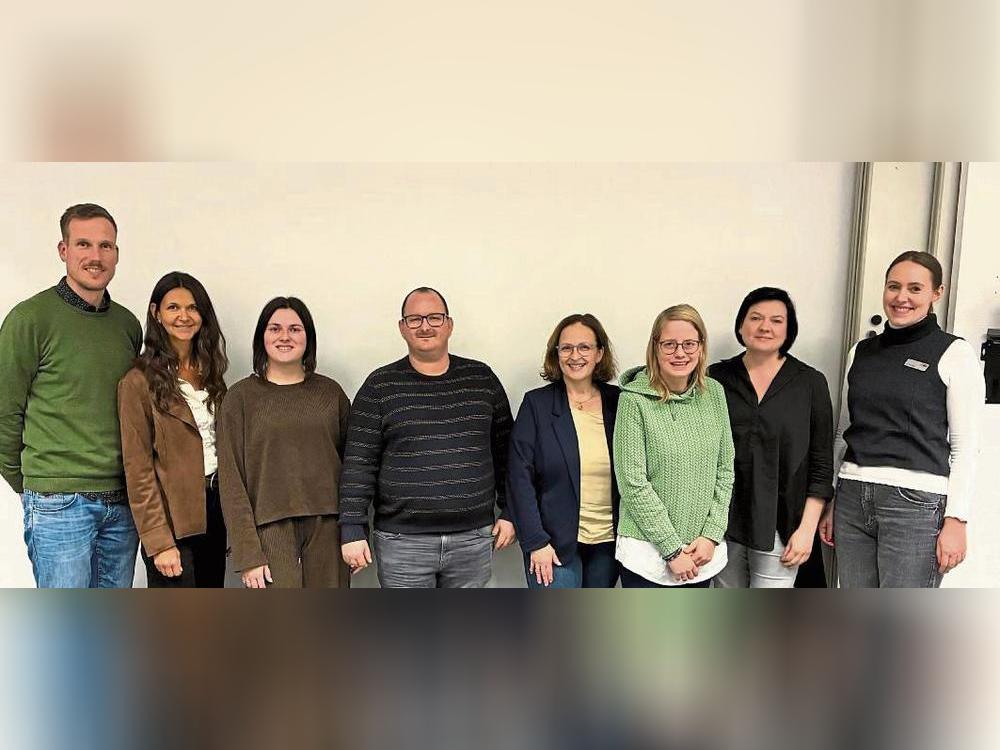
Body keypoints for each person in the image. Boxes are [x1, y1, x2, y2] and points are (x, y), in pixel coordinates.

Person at [819, 251, 984, 587]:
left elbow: (965, 446)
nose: (901, 297)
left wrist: (957, 519)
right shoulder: (860, 352)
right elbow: (844, 432)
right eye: (893, 286)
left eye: (915, 288)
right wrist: (834, 498)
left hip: (915, 504)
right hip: (852, 497)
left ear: (937, 293)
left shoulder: (954, 353)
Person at [0, 203, 142, 588]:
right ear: (63, 250)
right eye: (83, 244)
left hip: (122, 503)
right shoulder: (30, 319)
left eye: (105, 246)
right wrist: (33, 483)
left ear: (116, 254)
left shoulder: (127, 325)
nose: (95, 256)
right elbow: (4, 412)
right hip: (59, 503)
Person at [339, 286, 515, 588]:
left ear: (449, 324)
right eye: (415, 319)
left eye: (434, 317)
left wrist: (511, 511)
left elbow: (507, 454)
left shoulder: (481, 379)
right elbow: (358, 463)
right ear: (402, 327)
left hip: (472, 539)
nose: (425, 326)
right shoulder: (379, 386)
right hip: (402, 542)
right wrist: (352, 528)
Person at [217, 297, 352, 588]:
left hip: (329, 528)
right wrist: (246, 552)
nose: (285, 336)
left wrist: (354, 531)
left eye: (295, 329)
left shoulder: (331, 394)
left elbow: (354, 468)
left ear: (308, 337)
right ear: (262, 337)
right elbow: (231, 480)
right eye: (275, 328)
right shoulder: (240, 398)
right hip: (268, 529)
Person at [709, 287, 834, 588]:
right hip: (722, 522)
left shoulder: (810, 383)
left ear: (789, 330)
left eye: (777, 320)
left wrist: (807, 529)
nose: (765, 327)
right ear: (741, 325)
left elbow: (821, 464)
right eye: (756, 318)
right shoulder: (716, 378)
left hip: (783, 525)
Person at [118, 272, 229, 587]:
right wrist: (159, 541)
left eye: (192, 308)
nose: (184, 316)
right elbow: (137, 469)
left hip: (215, 512)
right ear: (156, 313)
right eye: (173, 307)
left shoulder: (211, 372)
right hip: (172, 520)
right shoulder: (137, 382)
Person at [613, 304, 734, 588]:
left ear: (701, 347)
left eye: (689, 344)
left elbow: (725, 469)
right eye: (669, 344)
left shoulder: (714, 393)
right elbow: (632, 483)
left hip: (701, 552)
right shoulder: (633, 400)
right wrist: (672, 550)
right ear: (655, 347)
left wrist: (711, 534)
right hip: (648, 555)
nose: (680, 353)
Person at [508, 313, 621, 588]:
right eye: (566, 348)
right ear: (556, 354)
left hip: (609, 543)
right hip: (552, 544)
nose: (575, 355)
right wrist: (536, 541)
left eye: (584, 347)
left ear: (599, 353)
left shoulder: (620, 402)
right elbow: (519, 477)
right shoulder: (537, 404)